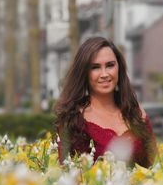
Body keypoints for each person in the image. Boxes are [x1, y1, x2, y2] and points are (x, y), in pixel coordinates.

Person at [54, 36, 156, 168]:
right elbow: (69, 176)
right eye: (95, 67)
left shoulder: (136, 112)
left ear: (119, 67)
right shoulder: (73, 120)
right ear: (84, 72)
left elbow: (156, 166)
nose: (104, 74)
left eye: (110, 65)